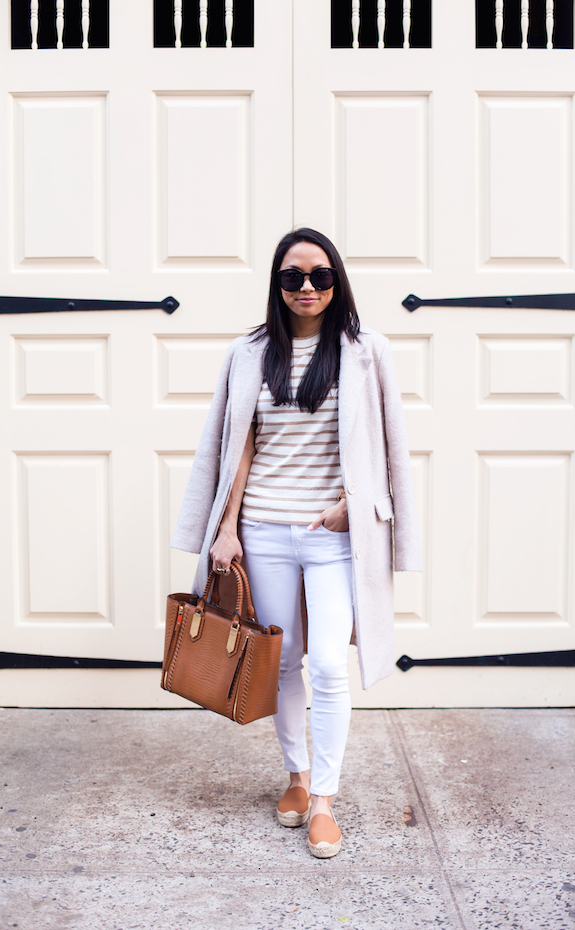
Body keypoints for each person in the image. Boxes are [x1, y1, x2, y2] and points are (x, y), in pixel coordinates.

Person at [171, 228, 422, 858]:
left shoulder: (368, 351)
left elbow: (391, 451)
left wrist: (358, 507)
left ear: (337, 280)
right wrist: (225, 529)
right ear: (277, 284)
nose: (306, 288)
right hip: (260, 531)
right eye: (292, 277)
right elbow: (237, 448)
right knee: (281, 662)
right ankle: (296, 777)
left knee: (330, 665)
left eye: (319, 275)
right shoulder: (249, 352)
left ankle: (325, 801)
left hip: (333, 536)